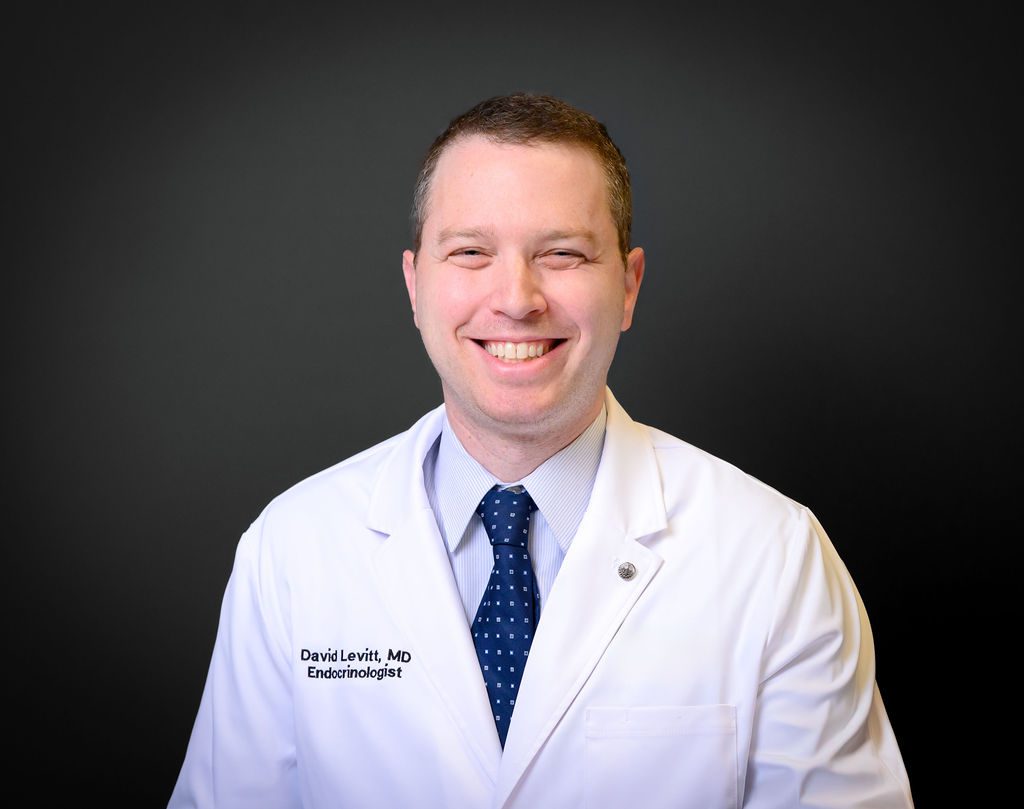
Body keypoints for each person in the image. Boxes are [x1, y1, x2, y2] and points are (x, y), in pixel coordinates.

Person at [169, 93, 913, 808]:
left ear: (629, 285)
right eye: (470, 252)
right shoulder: (292, 551)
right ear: (415, 286)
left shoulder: (774, 556)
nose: (517, 298)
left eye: (562, 253)